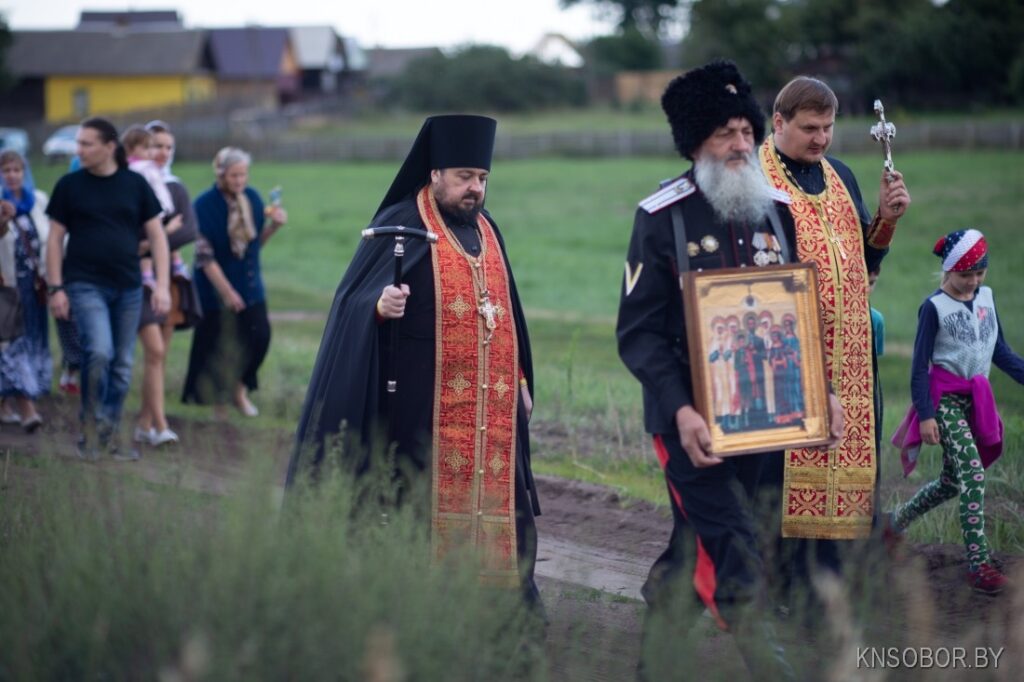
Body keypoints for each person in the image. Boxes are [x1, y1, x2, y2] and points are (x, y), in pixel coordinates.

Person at [288, 115, 542, 606]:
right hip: (423, 411)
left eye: (483, 179)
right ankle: (422, 607)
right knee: (418, 507)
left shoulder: (488, 232)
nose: (475, 189)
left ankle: (506, 615)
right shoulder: (401, 228)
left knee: (503, 510)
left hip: (490, 411)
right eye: (465, 177)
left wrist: (521, 380)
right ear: (435, 174)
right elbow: (352, 304)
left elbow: (504, 314)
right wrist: (379, 307)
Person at [616, 60, 812, 679]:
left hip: (766, 420)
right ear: (695, 141)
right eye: (724, 133)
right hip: (688, 426)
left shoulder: (778, 210)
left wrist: (822, 393)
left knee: (695, 548)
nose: (739, 145)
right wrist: (680, 409)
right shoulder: (661, 217)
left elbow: (801, 315)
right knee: (733, 547)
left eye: (745, 131)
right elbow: (637, 335)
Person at [757, 76, 911, 584]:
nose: (821, 139)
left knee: (851, 474)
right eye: (809, 128)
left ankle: (837, 587)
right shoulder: (757, 178)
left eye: (827, 127)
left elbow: (865, 261)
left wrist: (886, 221)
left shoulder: (841, 175)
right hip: (786, 358)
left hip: (851, 357)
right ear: (778, 123)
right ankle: (783, 590)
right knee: (780, 482)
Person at [889, 230, 1024, 595]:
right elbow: (919, 368)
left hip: (975, 400)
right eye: (966, 274)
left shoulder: (987, 298)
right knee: (973, 475)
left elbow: (1001, 352)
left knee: (953, 481)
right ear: (948, 270)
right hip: (944, 400)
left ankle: (892, 524)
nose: (974, 281)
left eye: (980, 273)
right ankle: (979, 565)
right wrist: (927, 414)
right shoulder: (933, 308)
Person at [45, 117, 171, 460]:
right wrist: (56, 287)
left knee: (122, 364)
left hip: (128, 287)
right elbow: (55, 239)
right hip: (84, 285)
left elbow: (157, 236)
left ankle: (109, 433)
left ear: (109, 147)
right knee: (99, 351)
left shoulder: (135, 185)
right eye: (79, 143)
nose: (79, 150)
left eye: (87, 144)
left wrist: (161, 286)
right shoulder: (70, 186)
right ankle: (90, 429)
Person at [182, 147, 286, 417]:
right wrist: (226, 291)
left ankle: (240, 391)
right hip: (215, 289)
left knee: (260, 337)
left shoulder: (251, 198)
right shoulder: (203, 205)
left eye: (243, 175)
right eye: (234, 175)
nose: (240, 181)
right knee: (219, 345)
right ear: (221, 174)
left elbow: (253, 246)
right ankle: (219, 404)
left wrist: (273, 227)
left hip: (251, 286)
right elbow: (204, 257)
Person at [131, 121, 200, 446]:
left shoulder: (175, 187)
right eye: (156, 145)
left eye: (168, 147)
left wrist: (159, 238)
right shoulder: (135, 183)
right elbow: (132, 234)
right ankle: (158, 424)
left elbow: (190, 231)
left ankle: (146, 422)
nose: (162, 152)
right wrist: (162, 234)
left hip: (169, 279)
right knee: (152, 352)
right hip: (138, 278)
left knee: (159, 356)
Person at [0, 150, 51, 432]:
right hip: (6, 287)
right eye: (6, 170)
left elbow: (51, 238)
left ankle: (13, 399)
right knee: (12, 344)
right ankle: (25, 407)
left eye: (17, 170)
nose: (12, 175)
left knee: (33, 340)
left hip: (34, 286)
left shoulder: (38, 201)